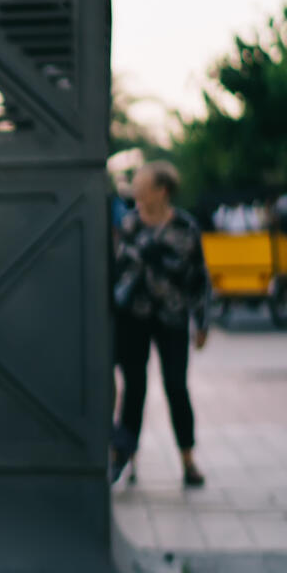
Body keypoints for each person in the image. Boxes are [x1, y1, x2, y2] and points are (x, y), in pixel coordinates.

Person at [111, 161, 210, 487]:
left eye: (143, 185)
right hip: (133, 318)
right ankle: (125, 457)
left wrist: (202, 321)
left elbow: (199, 278)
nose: (137, 190)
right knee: (133, 388)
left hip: (172, 317)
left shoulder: (184, 227)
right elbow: (115, 272)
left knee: (176, 387)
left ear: (161, 190)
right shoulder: (128, 225)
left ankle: (188, 460)